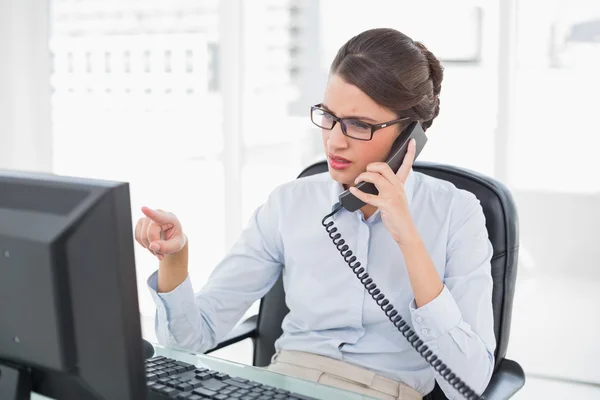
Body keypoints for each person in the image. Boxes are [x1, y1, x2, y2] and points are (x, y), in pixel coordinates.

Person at [135, 28, 495, 400]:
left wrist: (408, 237)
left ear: (409, 135)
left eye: (359, 125)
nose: (334, 141)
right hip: (281, 385)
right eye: (329, 116)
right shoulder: (288, 204)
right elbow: (190, 341)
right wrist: (175, 260)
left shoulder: (458, 214)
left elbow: (468, 382)